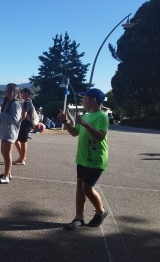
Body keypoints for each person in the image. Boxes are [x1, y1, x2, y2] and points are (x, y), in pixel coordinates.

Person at [57, 88, 109, 230]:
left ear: (94, 100)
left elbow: (100, 136)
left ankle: (101, 211)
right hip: (82, 158)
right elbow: (74, 133)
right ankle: (79, 217)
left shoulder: (102, 116)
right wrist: (66, 122)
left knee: (87, 188)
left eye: (85, 98)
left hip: (96, 158)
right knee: (80, 188)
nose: (83, 100)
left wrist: (85, 124)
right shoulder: (86, 115)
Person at [0, 83, 22, 184]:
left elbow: (15, 118)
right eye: (6, 90)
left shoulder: (16, 103)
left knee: (7, 154)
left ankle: (6, 177)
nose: (6, 92)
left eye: (8, 90)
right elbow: (5, 115)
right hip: (5, 131)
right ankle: (8, 173)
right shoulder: (9, 102)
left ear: (14, 92)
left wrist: (0, 116)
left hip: (10, 132)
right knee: (4, 152)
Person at [14, 88, 34, 165]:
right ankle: (21, 157)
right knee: (17, 140)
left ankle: (22, 159)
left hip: (25, 125)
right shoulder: (26, 102)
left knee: (23, 142)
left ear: (27, 94)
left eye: (22, 93)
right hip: (24, 124)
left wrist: (18, 122)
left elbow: (24, 115)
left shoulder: (27, 102)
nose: (21, 94)